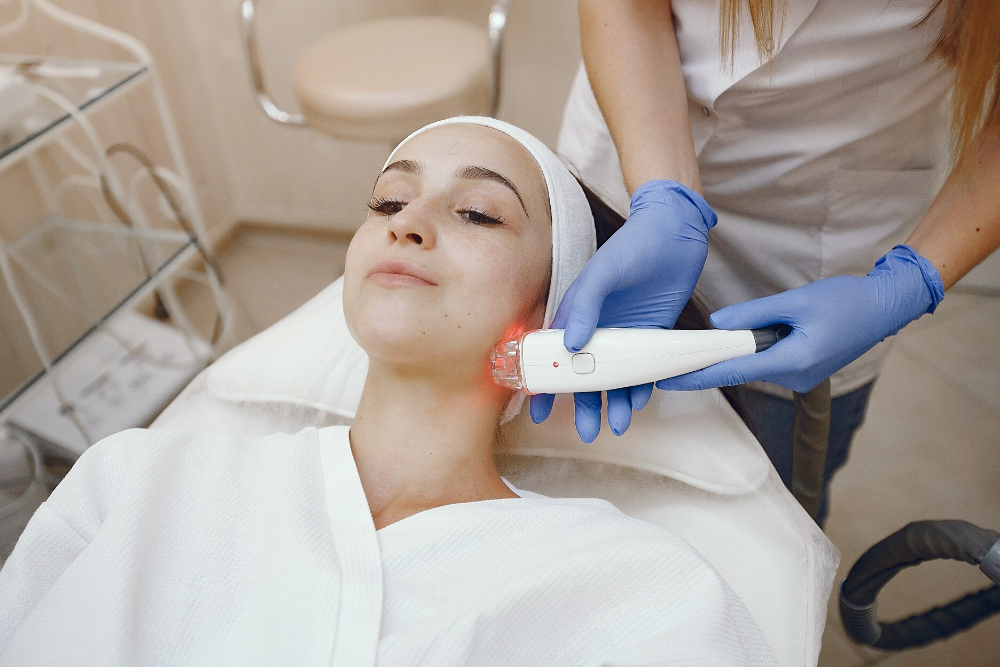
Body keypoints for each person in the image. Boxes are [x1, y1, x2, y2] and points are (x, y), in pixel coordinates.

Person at [0, 117, 775, 667]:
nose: (408, 223)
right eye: (387, 202)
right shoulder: (136, 479)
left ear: (555, 316)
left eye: (478, 212)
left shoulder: (639, 586)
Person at [532, 0, 1000, 525]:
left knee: (769, 510)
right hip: (630, 154)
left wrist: (910, 282)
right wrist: (665, 194)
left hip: (822, 230)